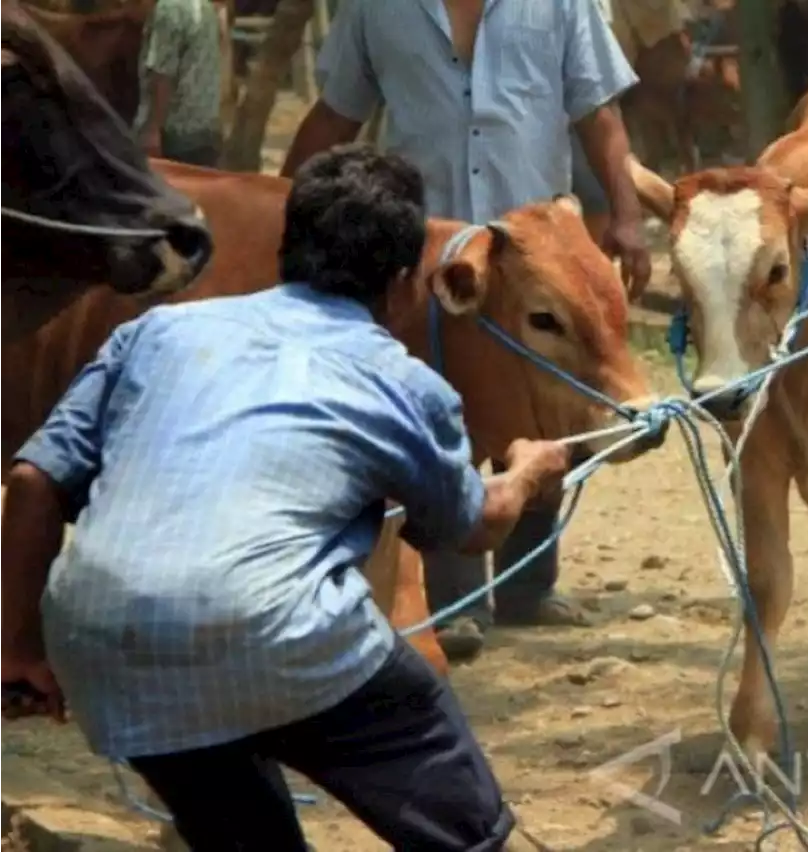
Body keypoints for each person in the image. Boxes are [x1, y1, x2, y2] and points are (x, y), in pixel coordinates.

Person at [0, 145, 570, 852]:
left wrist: (17, 645)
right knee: (464, 823)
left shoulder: (157, 330)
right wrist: (527, 472)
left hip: (106, 649)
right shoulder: (399, 378)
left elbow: (31, 481)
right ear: (400, 286)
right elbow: (470, 526)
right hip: (284, 633)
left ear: (287, 246)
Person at [281, 0, 652, 663]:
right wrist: (275, 210)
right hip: (427, 255)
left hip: (535, 249)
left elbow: (598, 113)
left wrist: (626, 214)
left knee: (546, 411)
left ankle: (529, 588)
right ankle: (453, 602)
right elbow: (337, 113)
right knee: (431, 412)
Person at [135, 0, 223, 166]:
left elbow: (163, 73)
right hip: (206, 129)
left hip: (174, 133)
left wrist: (153, 129)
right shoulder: (206, 7)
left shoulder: (169, 8)